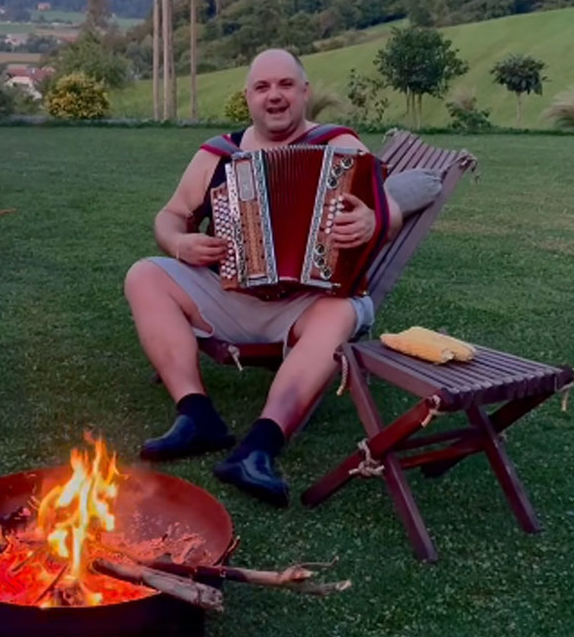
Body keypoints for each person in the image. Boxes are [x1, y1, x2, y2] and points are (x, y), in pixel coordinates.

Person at [123, 48, 408, 507]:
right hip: (229, 294)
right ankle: (196, 416)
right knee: (144, 275)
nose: (274, 97)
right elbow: (171, 215)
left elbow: (388, 207)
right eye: (262, 87)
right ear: (248, 97)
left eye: (285, 85)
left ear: (304, 92)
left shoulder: (338, 144)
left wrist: (374, 221)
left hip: (308, 303)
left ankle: (260, 447)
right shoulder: (220, 153)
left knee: (340, 310)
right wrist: (179, 244)